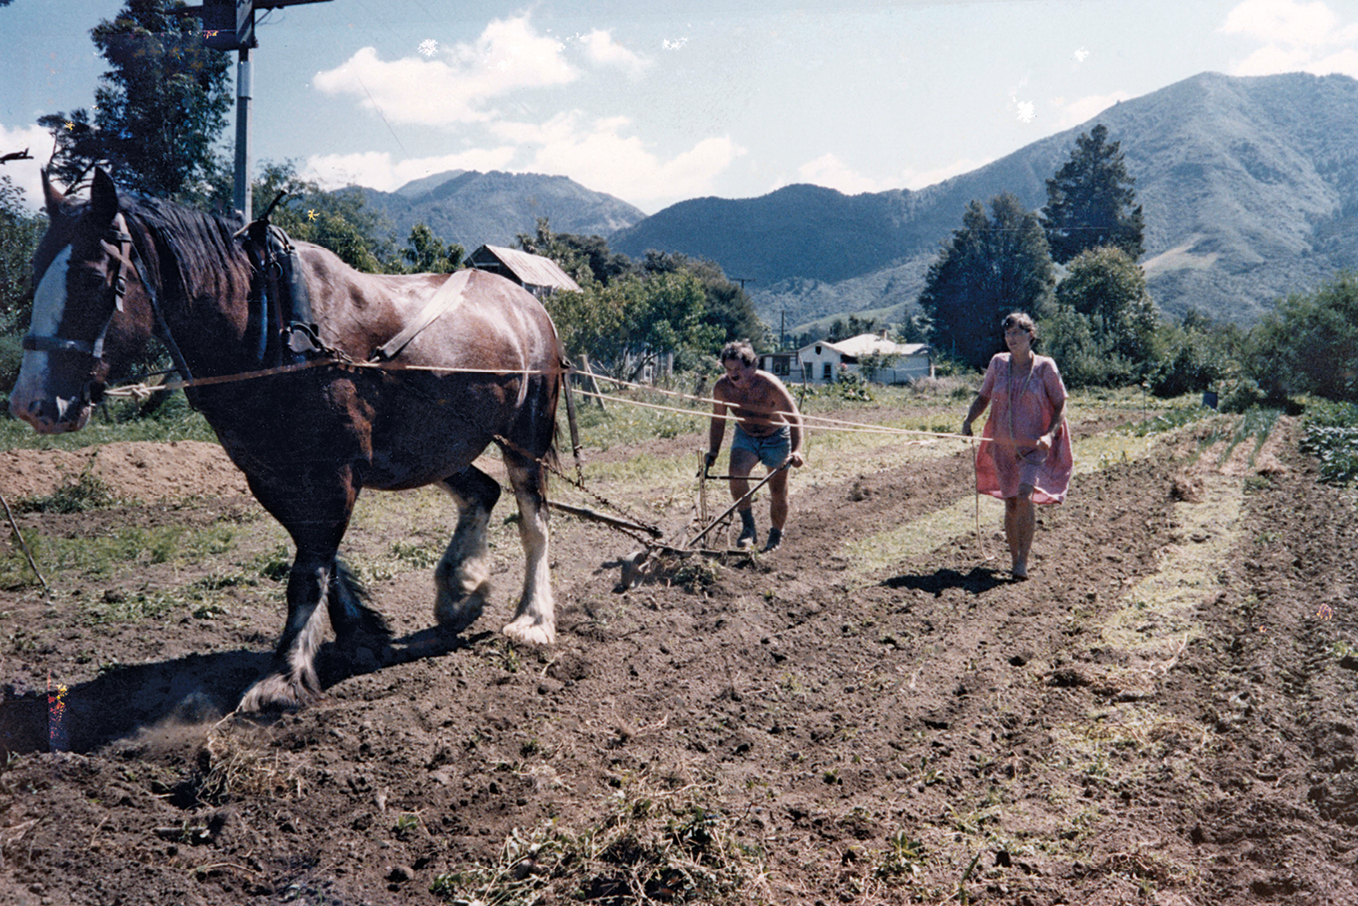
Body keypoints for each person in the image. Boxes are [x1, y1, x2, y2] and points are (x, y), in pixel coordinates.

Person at [961, 312, 1073, 580]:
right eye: (1008, 334)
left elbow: (1061, 404)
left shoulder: (1046, 367)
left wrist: (1049, 435)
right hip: (1002, 445)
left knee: (1024, 496)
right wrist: (968, 420)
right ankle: (1014, 559)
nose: (1011, 339)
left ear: (1030, 335)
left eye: (1017, 333)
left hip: (1034, 447)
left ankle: (1023, 561)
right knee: (1011, 503)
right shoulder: (998, 364)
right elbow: (983, 397)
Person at [706, 340, 806, 552]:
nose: (733, 375)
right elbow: (718, 420)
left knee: (777, 489)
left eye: (738, 369)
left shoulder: (769, 385)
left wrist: (797, 450)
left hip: (776, 436)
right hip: (746, 435)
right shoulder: (722, 388)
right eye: (728, 369)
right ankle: (748, 528)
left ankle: (776, 534)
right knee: (736, 474)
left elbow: (794, 418)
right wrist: (713, 450)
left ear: (752, 366)